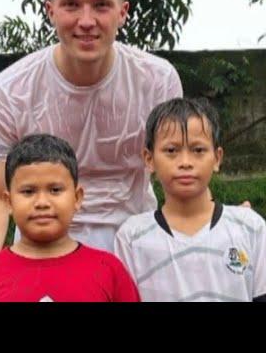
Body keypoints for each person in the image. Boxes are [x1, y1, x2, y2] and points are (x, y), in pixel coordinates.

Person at [0, 0, 183, 300]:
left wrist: (216, 220)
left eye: (101, 4)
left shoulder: (157, 81)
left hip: (134, 244)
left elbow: (178, 171)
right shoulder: (11, 90)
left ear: (122, 12)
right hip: (39, 247)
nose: (86, 20)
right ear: (51, 11)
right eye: (72, 4)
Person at [0, 134, 140, 302]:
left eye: (55, 190)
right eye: (28, 191)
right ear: (9, 202)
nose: (42, 202)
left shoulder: (109, 270)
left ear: (77, 198)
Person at [114, 98, 266, 302]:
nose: (185, 162)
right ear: (149, 159)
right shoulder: (131, 238)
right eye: (171, 151)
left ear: (217, 158)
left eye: (198, 150)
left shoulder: (250, 227)